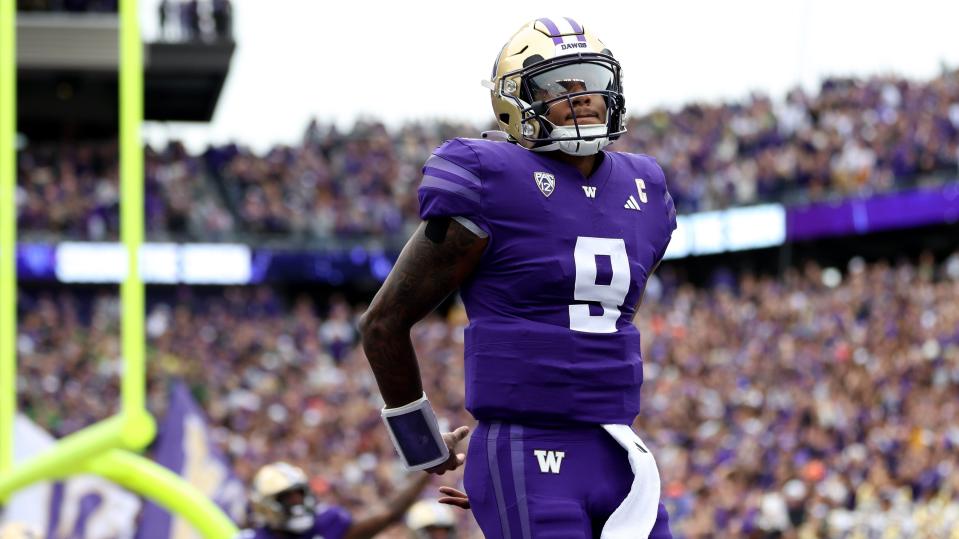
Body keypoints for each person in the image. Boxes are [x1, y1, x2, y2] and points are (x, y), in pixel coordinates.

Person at [360, 17, 676, 538]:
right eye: (560, 86)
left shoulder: (645, 186)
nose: (583, 98)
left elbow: (607, 310)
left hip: (620, 451)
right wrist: (425, 445)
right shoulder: (488, 175)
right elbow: (383, 322)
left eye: (591, 82)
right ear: (515, 101)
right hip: (527, 446)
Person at [238, 461, 432, 539]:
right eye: (288, 498)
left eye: (300, 494)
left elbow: (388, 514)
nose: (297, 502)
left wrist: (428, 469)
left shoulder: (327, 524)